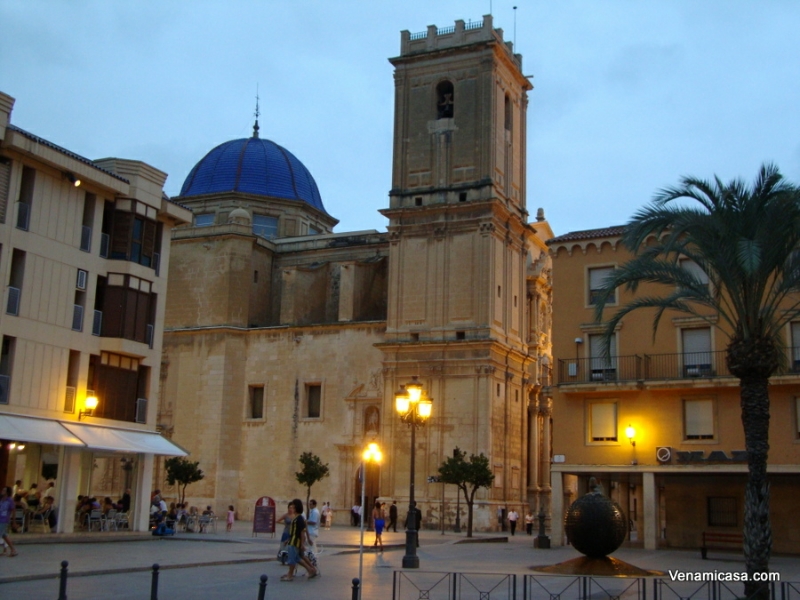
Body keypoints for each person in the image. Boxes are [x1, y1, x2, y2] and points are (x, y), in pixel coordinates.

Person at [281, 499, 316, 582]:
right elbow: (293, 531)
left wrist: (302, 544)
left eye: (293, 507)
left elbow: (301, 532)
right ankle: (310, 569)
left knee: (292, 559)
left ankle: (290, 575)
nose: (291, 509)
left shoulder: (299, 518)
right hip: (292, 540)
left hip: (295, 542)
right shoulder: (295, 518)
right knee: (297, 558)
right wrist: (288, 540)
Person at [0, 486, 19, 557]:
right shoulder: (1, 499)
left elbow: (13, 510)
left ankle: (11, 550)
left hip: (4, 519)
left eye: (4, 490)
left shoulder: (9, 500)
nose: (2, 491)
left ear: (7, 492)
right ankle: (11, 549)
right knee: (4, 535)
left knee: (1, 533)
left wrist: (13, 521)